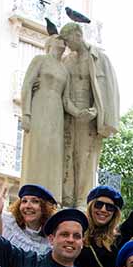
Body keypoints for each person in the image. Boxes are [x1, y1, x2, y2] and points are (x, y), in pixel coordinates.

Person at [19, 35, 89, 204]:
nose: (63, 42)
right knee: (37, 150)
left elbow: (66, 100)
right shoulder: (40, 60)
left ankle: (51, 198)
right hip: (39, 108)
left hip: (56, 114)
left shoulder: (64, 69)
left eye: (64, 41)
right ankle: (32, 194)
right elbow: (27, 85)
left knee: (54, 154)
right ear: (49, 43)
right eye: (59, 39)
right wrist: (26, 114)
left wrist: (80, 113)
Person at [61, 22, 120, 207]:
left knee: (86, 157)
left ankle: (81, 200)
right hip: (70, 114)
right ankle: (67, 198)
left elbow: (109, 90)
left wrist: (96, 111)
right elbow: (62, 88)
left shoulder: (99, 58)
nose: (67, 45)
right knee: (67, 157)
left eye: (68, 39)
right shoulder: (66, 61)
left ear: (78, 34)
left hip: (91, 116)